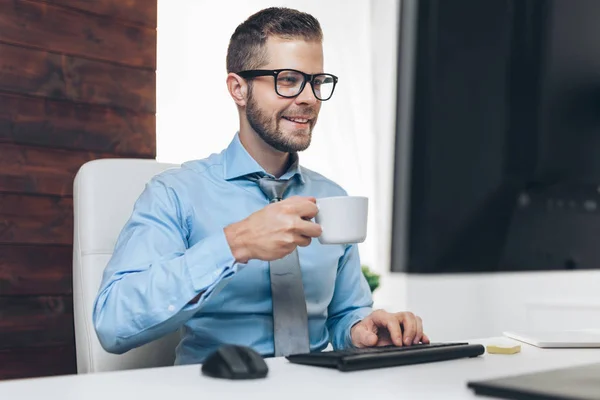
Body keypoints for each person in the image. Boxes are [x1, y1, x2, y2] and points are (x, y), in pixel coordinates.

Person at [93, 6, 429, 365]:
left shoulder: (333, 198)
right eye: (288, 79)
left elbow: (343, 314)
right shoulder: (175, 193)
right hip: (217, 389)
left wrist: (360, 329)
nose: (310, 98)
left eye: (317, 82)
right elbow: (113, 323)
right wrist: (235, 244)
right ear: (239, 89)